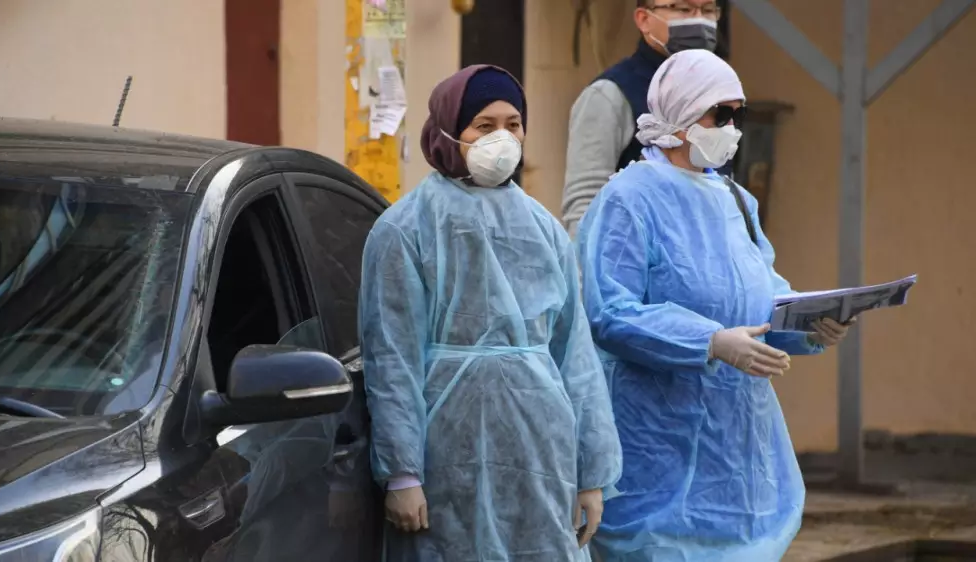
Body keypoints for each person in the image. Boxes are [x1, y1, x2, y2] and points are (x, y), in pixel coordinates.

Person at [577, 50, 855, 561]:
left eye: (736, 114)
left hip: (738, 464)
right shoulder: (629, 199)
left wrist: (809, 323)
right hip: (658, 453)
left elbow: (762, 293)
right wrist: (708, 341)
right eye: (719, 114)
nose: (731, 128)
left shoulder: (736, 201)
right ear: (681, 114)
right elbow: (610, 312)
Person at [359, 64, 622, 562]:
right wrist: (402, 474)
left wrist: (591, 475)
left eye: (513, 124)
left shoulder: (544, 229)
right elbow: (391, 358)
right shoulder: (404, 230)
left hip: (542, 452)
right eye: (484, 125)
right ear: (447, 131)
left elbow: (576, 358)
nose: (502, 137)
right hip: (445, 453)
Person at [562, 0, 723, 237]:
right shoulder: (610, 94)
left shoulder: (717, 93)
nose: (698, 19)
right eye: (683, 9)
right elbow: (585, 205)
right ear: (644, 19)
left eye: (708, 10)